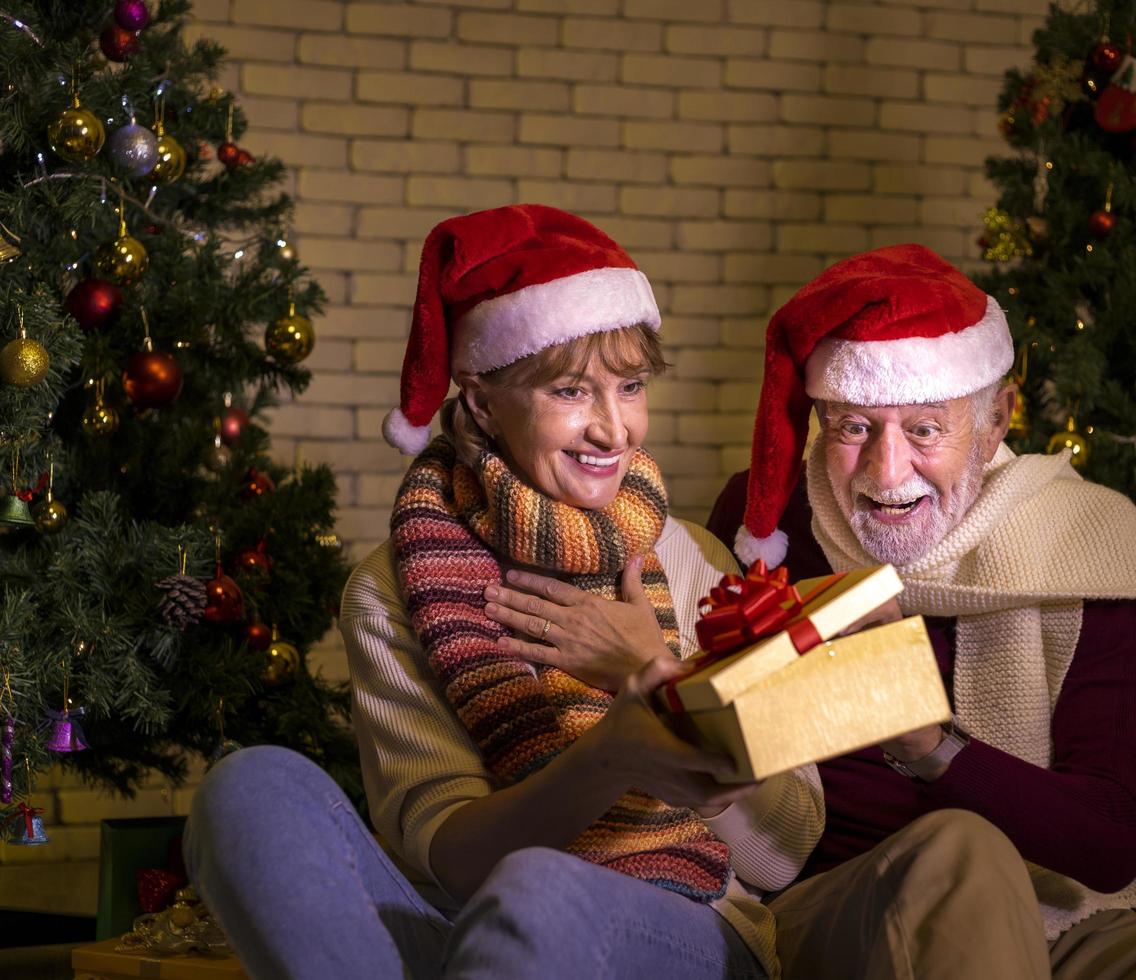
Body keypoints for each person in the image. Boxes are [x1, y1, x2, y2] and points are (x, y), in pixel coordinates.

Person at [185, 204, 822, 980]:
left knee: (540, 890)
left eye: (629, 386)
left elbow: (786, 853)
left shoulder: (692, 560)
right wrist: (606, 760)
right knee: (250, 789)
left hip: (682, 926)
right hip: (459, 927)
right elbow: (452, 859)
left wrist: (656, 674)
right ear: (482, 401)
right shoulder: (393, 590)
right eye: (570, 393)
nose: (614, 430)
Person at [707, 243, 1136, 979]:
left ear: (996, 418)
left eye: (923, 429)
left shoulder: (1082, 547)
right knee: (963, 851)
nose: (886, 474)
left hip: (1057, 930)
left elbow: (1111, 844)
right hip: (839, 913)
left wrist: (929, 744)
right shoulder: (769, 521)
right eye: (854, 428)